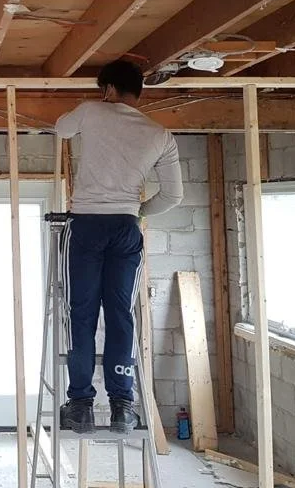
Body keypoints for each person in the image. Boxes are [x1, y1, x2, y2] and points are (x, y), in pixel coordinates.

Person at [54, 59, 184, 434]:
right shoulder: (160, 134)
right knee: (120, 314)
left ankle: (80, 404)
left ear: (108, 89)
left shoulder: (92, 111)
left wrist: (85, 112)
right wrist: (136, 211)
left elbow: (61, 129)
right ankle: (122, 406)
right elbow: (174, 195)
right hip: (126, 229)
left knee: (81, 313)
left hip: (86, 226)